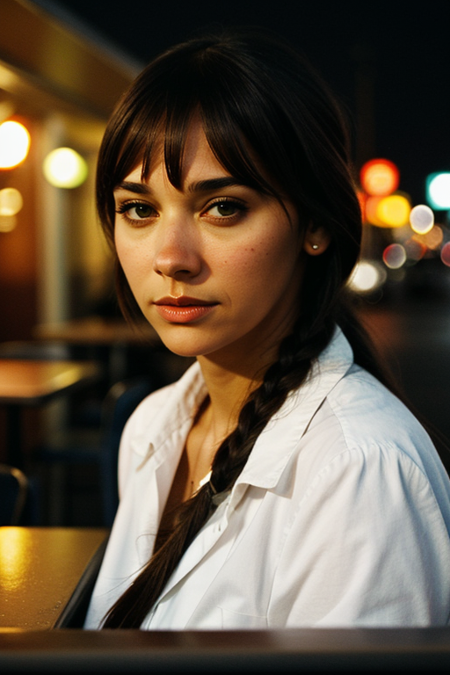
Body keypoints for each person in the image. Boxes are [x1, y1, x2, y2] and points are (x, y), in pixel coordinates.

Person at [83, 27, 450, 630]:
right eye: (138, 209)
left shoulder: (359, 471)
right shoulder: (151, 427)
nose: (170, 257)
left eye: (223, 207)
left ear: (316, 224)